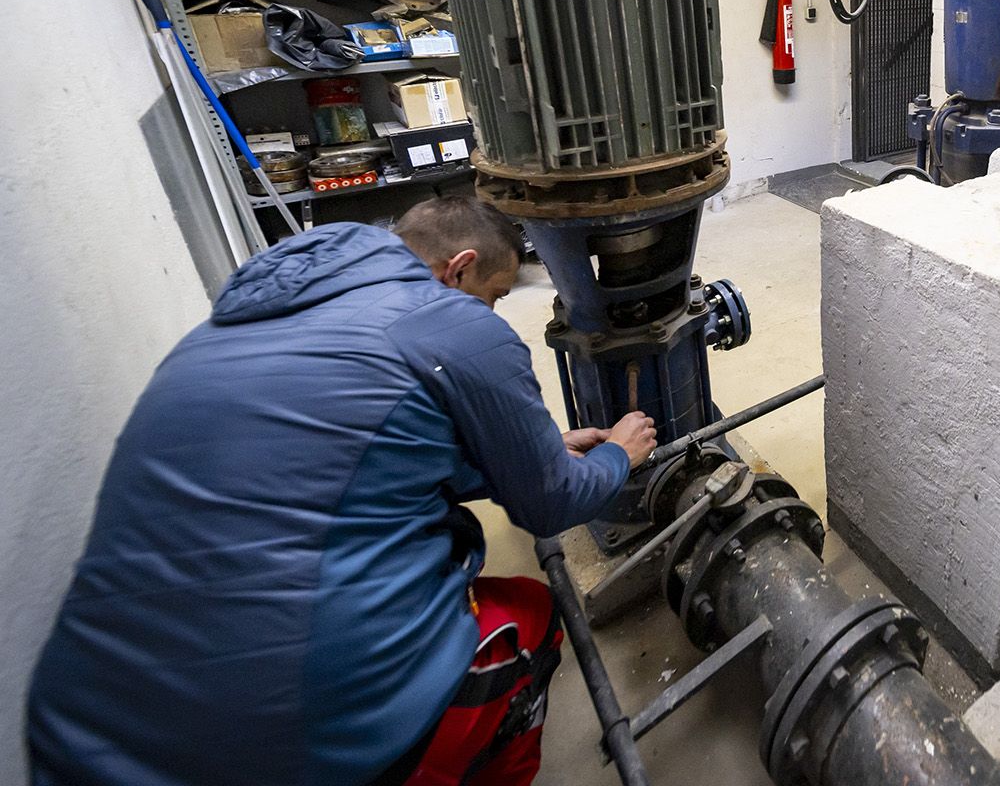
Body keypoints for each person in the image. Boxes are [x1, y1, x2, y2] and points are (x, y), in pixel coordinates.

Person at [28, 197, 657, 786]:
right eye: (493, 296)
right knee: (533, 612)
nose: (490, 311)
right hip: (285, 743)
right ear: (459, 270)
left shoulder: (220, 333)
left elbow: (359, 456)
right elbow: (551, 505)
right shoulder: (454, 326)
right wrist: (614, 457)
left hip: (79, 729)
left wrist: (532, 453)